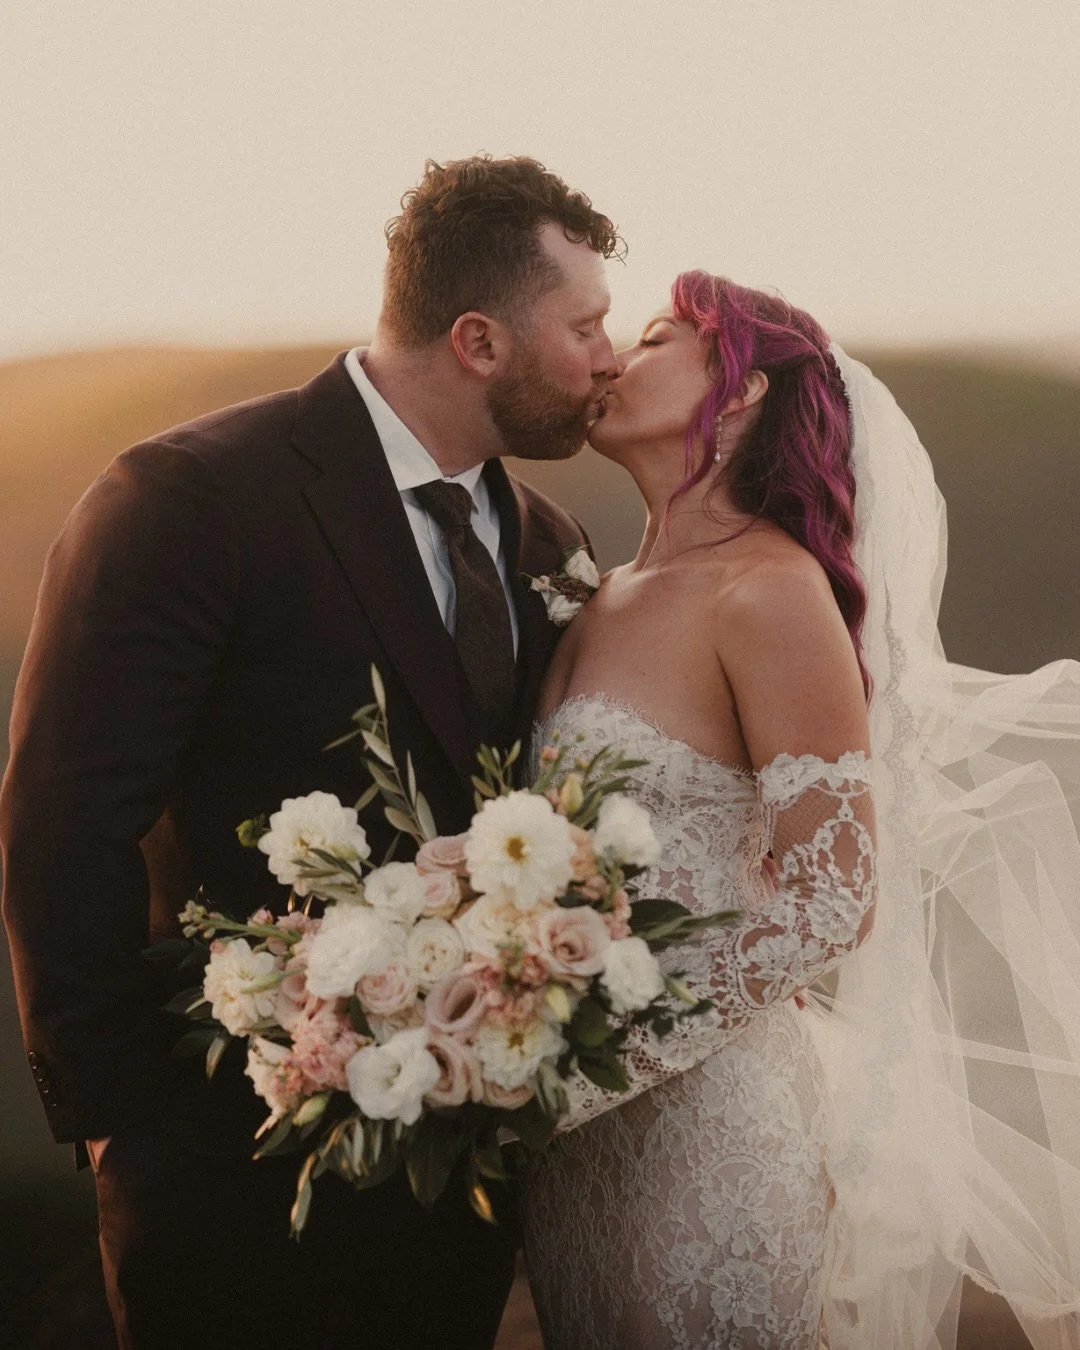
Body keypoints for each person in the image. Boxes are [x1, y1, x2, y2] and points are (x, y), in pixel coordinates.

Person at [0, 154, 621, 1350]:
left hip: (460, 1184)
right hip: (224, 1171)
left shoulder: (550, 538)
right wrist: (117, 1121)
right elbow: (63, 820)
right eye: (584, 325)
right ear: (479, 340)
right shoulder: (190, 497)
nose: (610, 356)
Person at [522, 273, 1080, 1348]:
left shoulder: (769, 593)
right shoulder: (598, 593)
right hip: (568, 1144)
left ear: (738, 396)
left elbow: (833, 900)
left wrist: (598, 1056)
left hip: (704, 1125)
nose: (609, 363)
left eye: (652, 338)